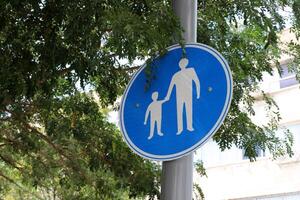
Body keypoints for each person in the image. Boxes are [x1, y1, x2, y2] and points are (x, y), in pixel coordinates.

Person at [165, 58, 200, 135]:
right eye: (181, 63)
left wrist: (198, 93)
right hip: (179, 95)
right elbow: (171, 87)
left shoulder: (191, 70)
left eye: (184, 63)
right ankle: (179, 129)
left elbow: (197, 82)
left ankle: (189, 127)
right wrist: (167, 96)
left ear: (186, 63)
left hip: (188, 94)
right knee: (179, 111)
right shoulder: (176, 75)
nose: (182, 64)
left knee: (189, 109)